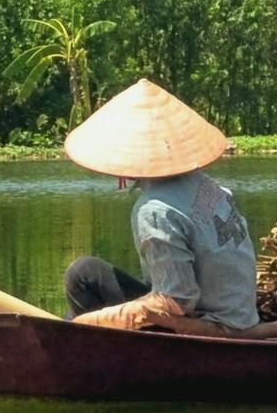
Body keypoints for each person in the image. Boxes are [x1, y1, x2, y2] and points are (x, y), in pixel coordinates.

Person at [60, 79, 262, 332]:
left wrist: (94, 320)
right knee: (87, 272)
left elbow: (178, 300)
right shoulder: (204, 184)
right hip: (242, 316)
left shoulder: (154, 210)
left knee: (81, 277)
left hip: (208, 326)